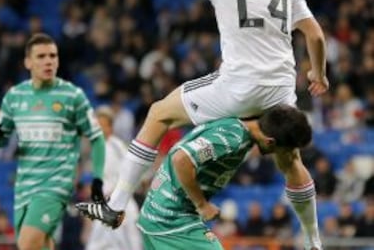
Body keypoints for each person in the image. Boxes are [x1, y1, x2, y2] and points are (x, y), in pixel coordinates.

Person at [66, 0, 328, 247]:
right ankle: (313, 241)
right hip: (280, 90)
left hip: (238, 87)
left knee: (159, 114)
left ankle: (117, 203)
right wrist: (318, 73)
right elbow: (315, 34)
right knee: (291, 160)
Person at [77, 105, 321, 250]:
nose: (288, 156)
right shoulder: (232, 139)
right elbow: (180, 159)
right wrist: (201, 203)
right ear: (270, 141)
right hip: (172, 220)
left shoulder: (237, 119)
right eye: (286, 149)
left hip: (157, 216)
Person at [0, 33, 107, 250]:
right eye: (41, 56)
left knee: (27, 244)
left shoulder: (72, 96)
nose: (49, 61)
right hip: (24, 186)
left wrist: (97, 179)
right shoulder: (14, 96)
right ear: (27, 62)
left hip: (55, 184)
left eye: (53, 55)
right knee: (42, 245)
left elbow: (96, 137)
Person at [84, 106, 142, 250]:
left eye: (103, 125)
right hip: (106, 206)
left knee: (132, 245)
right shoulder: (98, 148)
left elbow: (130, 174)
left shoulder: (118, 146)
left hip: (122, 205)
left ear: (110, 127)